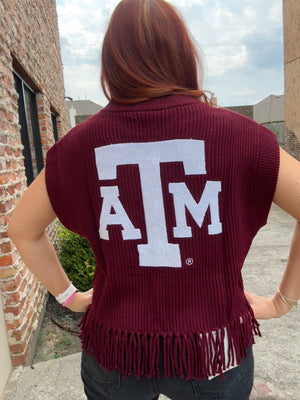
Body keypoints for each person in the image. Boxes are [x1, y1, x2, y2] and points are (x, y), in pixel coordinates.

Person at [7, 0, 299, 399]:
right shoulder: (245, 137)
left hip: (116, 348)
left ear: (112, 61)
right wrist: (283, 301)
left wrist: (69, 297)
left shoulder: (77, 147)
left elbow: (21, 228)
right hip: (214, 347)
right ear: (184, 54)